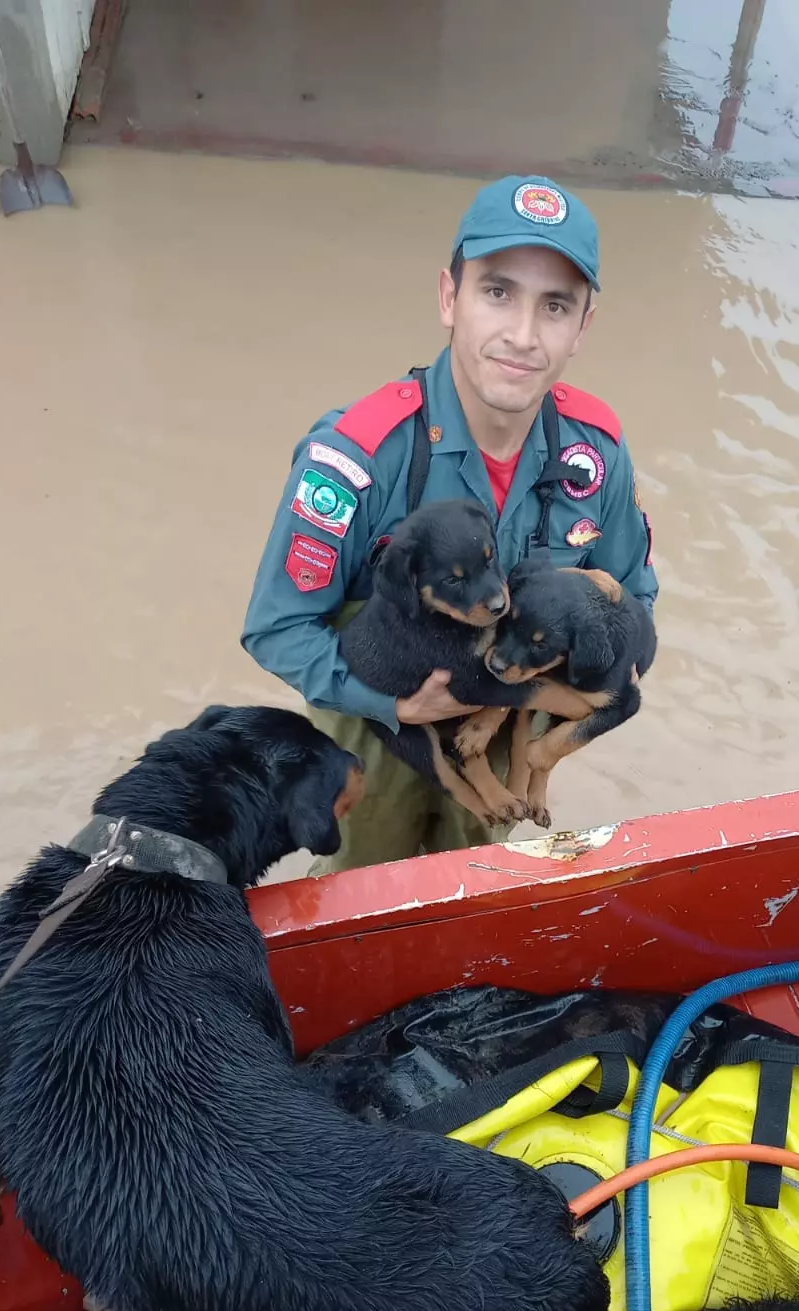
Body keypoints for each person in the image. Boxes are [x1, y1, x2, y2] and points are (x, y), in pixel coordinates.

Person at [242, 174, 658, 874]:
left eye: (555, 306)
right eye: (497, 292)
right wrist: (394, 704)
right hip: (376, 725)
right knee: (362, 891)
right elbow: (277, 628)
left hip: (504, 720)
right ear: (449, 298)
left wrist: (569, 697)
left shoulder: (597, 454)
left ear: (583, 326)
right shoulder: (358, 458)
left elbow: (634, 601)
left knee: (475, 885)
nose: (523, 336)